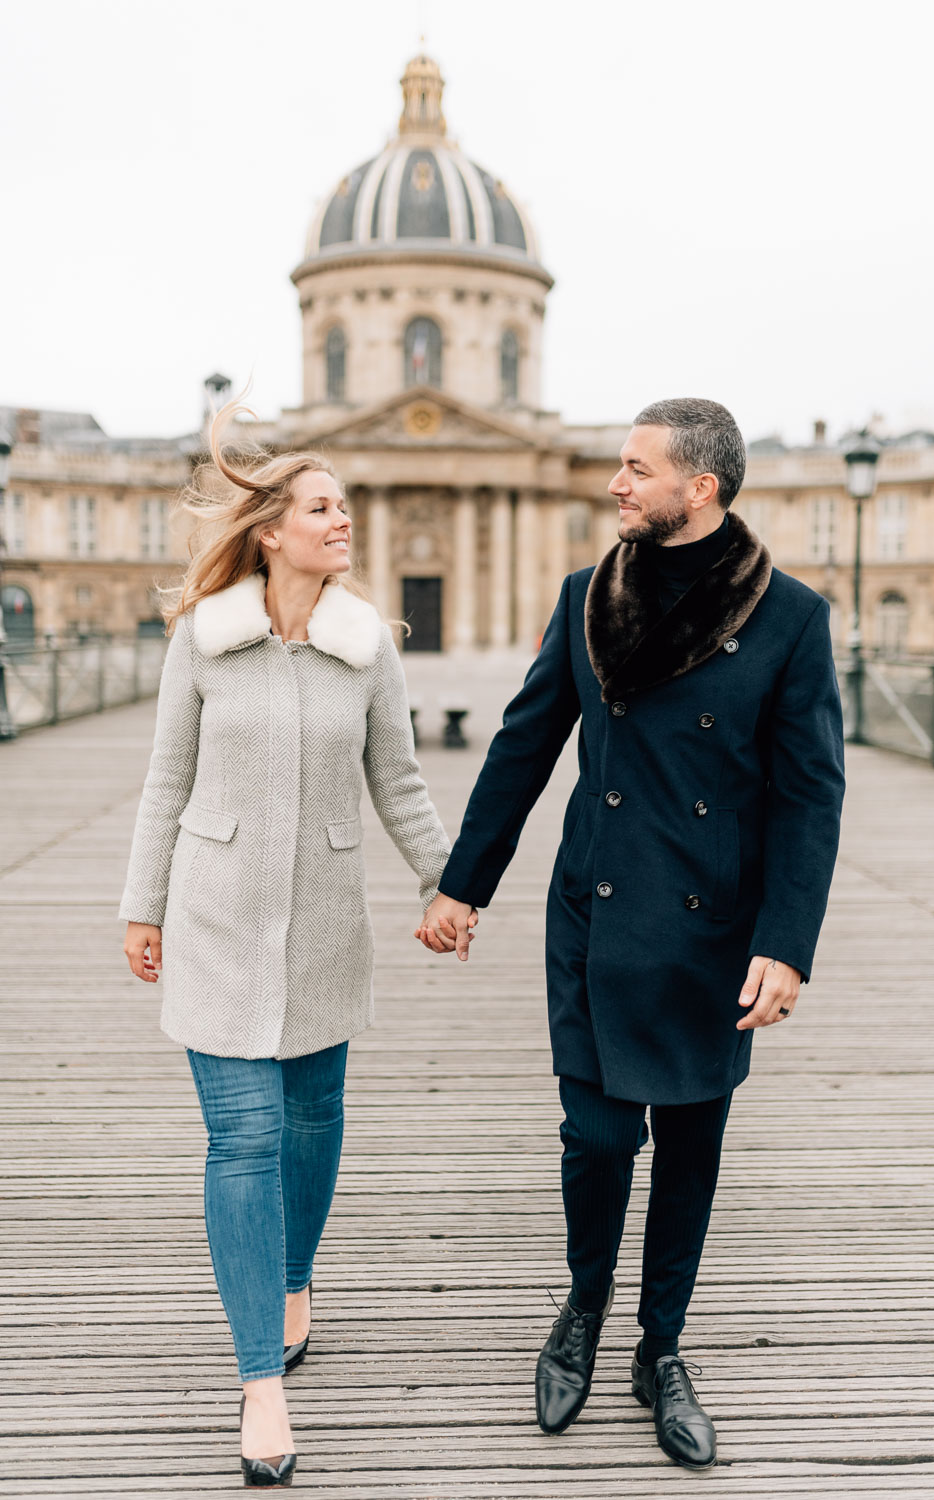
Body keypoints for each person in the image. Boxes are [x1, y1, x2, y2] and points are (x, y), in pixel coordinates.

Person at [418, 397, 845, 1470]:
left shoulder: (788, 618)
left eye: (633, 468)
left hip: (716, 928)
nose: (613, 482)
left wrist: (787, 943)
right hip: (597, 911)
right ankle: (583, 1305)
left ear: (696, 488)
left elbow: (809, 796)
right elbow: (521, 747)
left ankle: (661, 1348)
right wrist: (462, 885)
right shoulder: (582, 598)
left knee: (690, 1148)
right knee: (600, 1140)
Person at [120, 403, 450, 1488]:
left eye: (345, 505)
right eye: (322, 508)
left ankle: (295, 1276)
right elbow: (166, 780)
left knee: (311, 1126)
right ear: (270, 529)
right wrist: (143, 905)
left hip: (322, 920)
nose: (343, 520)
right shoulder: (204, 638)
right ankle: (261, 1384)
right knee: (243, 1141)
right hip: (214, 915)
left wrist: (445, 881)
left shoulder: (366, 646)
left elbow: (397, 778)